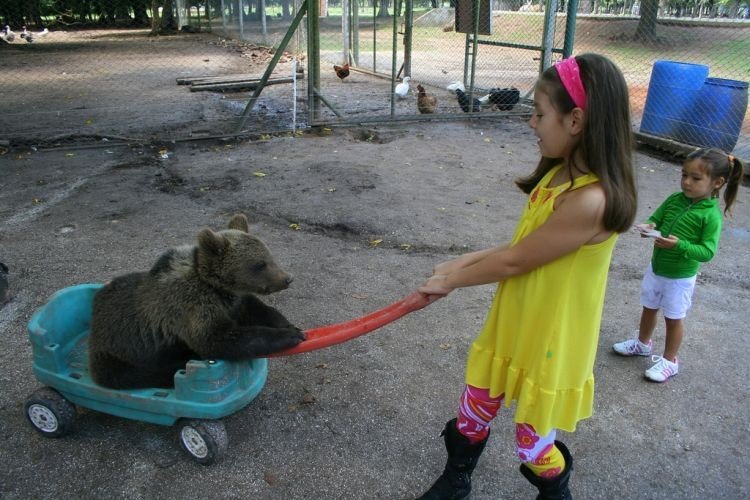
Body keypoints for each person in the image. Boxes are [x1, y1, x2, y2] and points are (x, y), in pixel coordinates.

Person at [414, 53, 637, 500]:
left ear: (575, 121)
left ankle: (556, 493)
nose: (532, 123)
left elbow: (516, 263)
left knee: (533, 445)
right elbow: (520, 249)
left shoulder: (591, 200)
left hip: (550, 340)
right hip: (515, 319)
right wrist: (456, 265)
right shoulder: (555, 177)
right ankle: (457, 479)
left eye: (539, 113)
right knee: (474, 409)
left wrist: (454, 281)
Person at [613, 148, 743, 382]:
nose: (686, 182)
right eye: (684, 175)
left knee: (673, 318)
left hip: (680, 278)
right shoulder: (675, 199)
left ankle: (670, 361)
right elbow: (657, 219)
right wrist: (649, 227)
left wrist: (679, 245)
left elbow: (707, 252)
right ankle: (642, 344)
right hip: (657, 268)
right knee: (649, 307)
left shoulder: (711, 216)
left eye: (695, 178)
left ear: (717, 182)